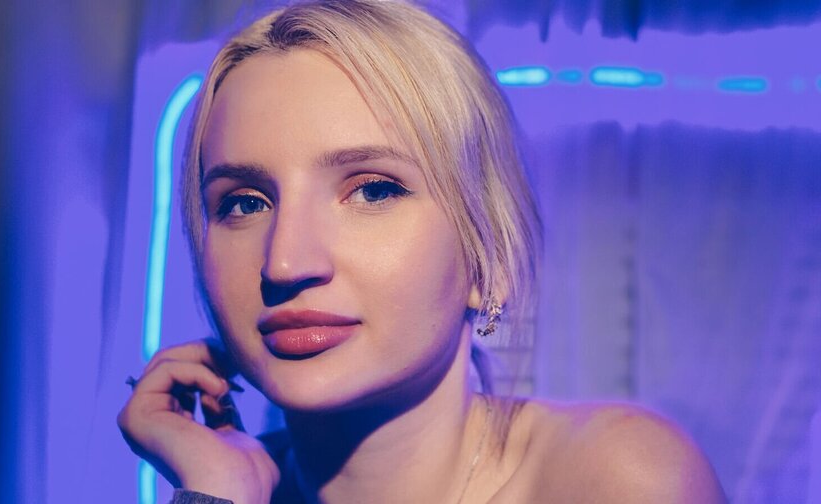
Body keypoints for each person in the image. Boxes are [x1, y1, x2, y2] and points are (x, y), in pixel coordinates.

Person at [118, 1, 726, 502]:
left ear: (488, 256)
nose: (286, 263)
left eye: (373, 190)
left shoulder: (618, 479)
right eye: (245, 202)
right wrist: (216, 493)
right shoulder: (227, 484)